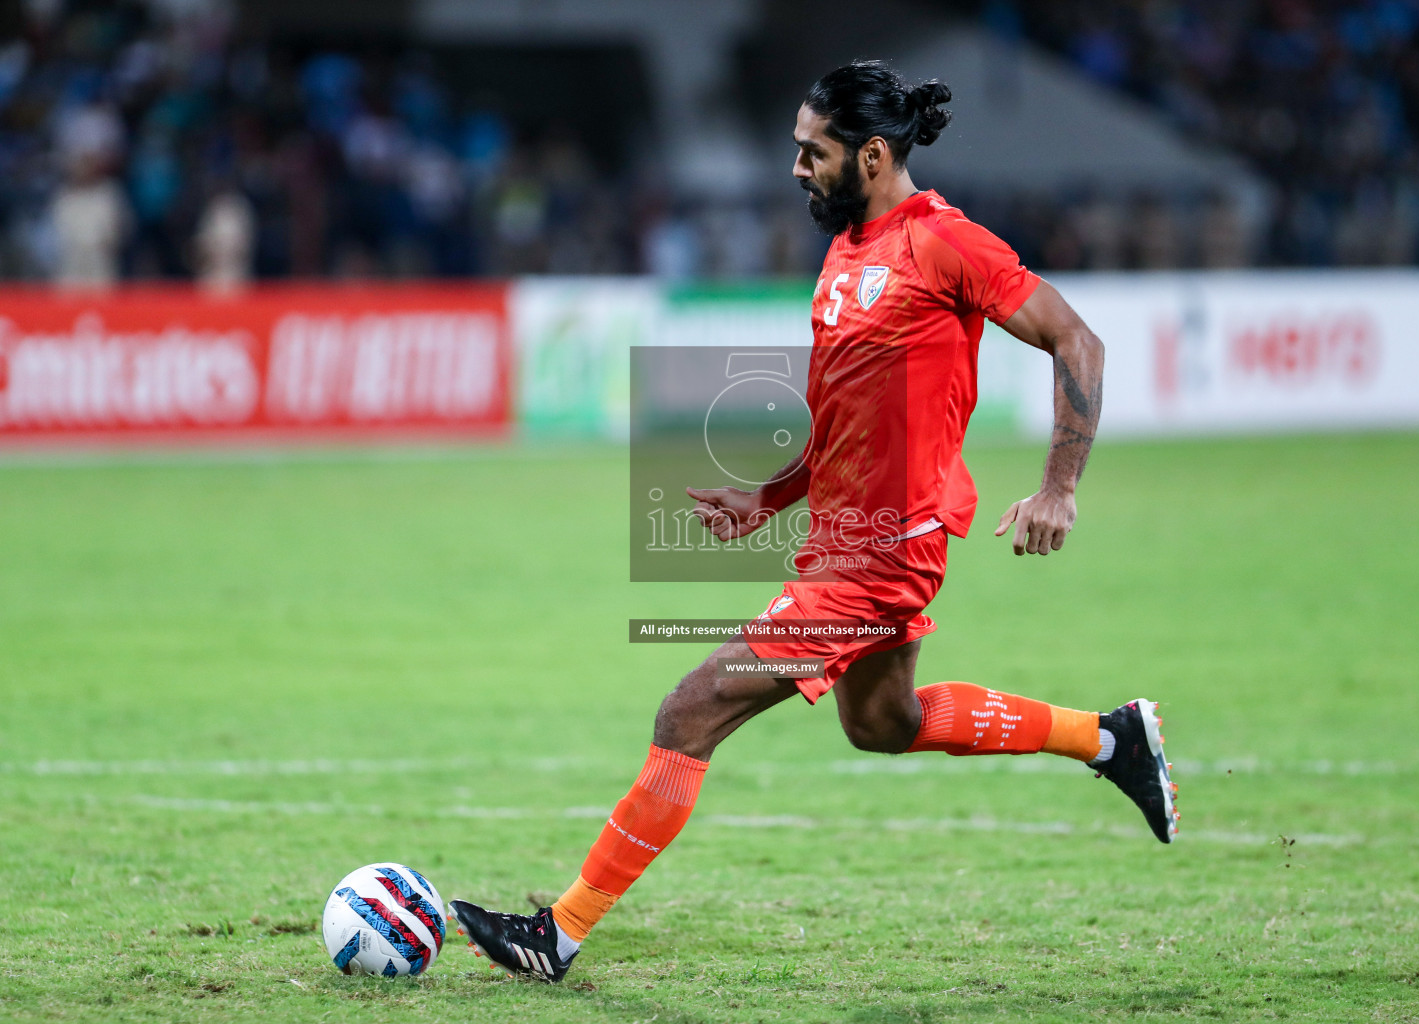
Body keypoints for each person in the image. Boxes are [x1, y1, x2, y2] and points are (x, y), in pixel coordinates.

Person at [451, 60, 1178, 983]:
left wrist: (1059, 487)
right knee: (883, 722)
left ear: (872, 155)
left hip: (883, 557)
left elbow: (1078, 338)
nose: (796, 167)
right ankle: (1112, 738)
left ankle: (556, 933)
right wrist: (772, 495)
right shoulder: (846, 250)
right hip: (841, 543)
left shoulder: (944, 244)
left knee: (691, 709)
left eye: (813, 152)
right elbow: (849, 416)